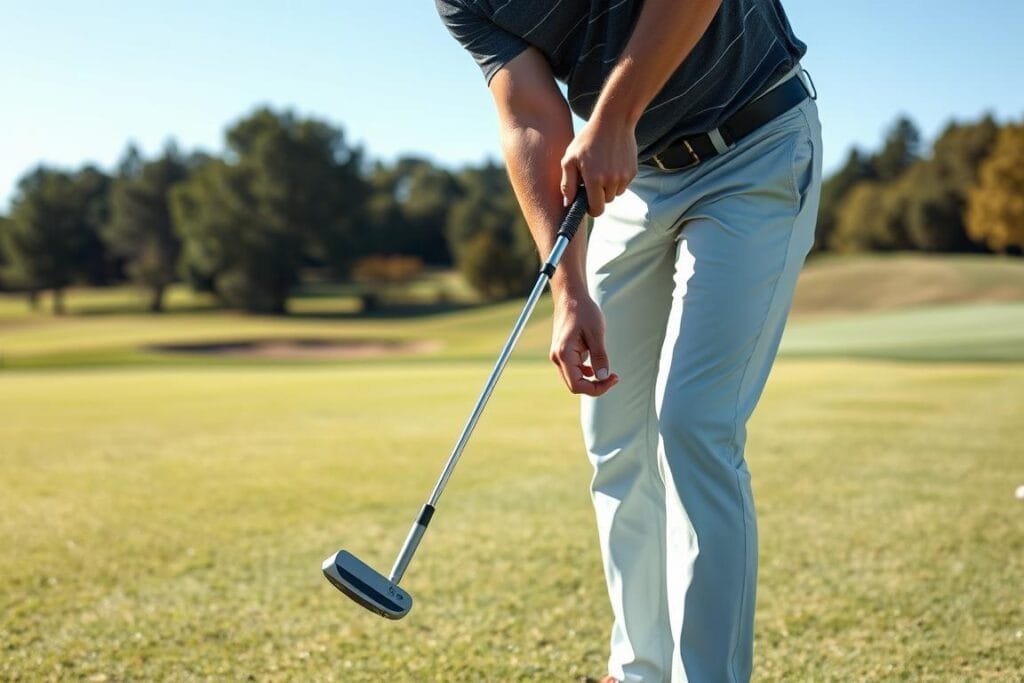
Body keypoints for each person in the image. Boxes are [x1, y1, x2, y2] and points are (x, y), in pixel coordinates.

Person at [435, 1, 822, 681]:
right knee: (613, 428)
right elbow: (528, 115)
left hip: (755, 143)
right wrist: (567, 286)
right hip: (638, 181)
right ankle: (638, 668)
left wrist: (614, 117)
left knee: (694, 423)